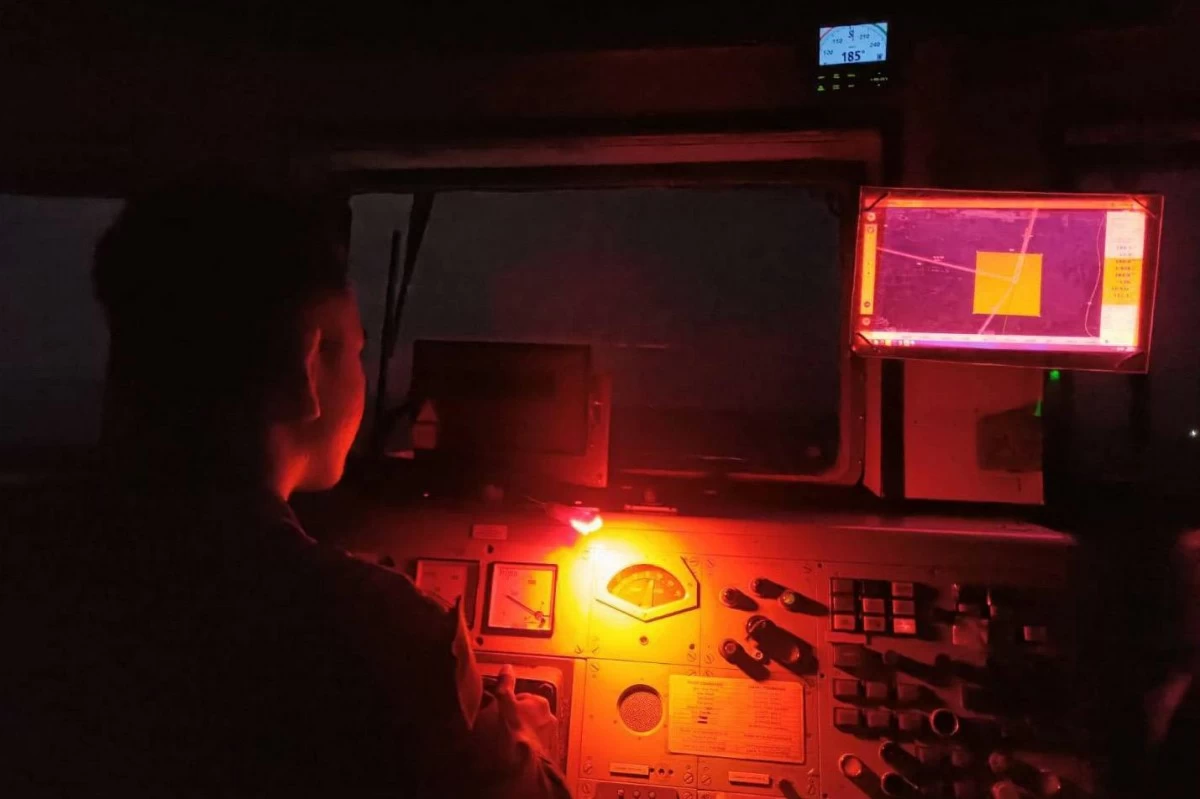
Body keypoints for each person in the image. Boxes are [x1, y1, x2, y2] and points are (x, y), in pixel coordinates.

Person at [0, 183, 570, 797]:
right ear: (307, 370)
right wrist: (526, 742)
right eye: (354, 350)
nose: (362, 372)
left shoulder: (23, 560)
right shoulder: (388, 636)